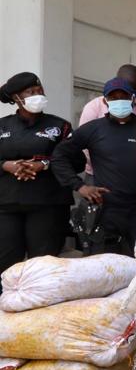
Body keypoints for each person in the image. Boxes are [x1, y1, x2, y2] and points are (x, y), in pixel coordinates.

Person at [52, 78, 136, 255]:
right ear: (105, 101)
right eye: (113, 97)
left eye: (123, 96)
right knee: (104, 265)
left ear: (132, 98)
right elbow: (59, 156)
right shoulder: (93, 129)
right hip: (107, 208)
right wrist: (80, 186)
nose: (119, 101)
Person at [0, 72, 73, 275]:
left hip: (47, 205)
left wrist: (44, 163)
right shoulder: (2, 126)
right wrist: (7, 165)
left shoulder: (60, 126)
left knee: (43, 264)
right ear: (16, 98)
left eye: (40, 90)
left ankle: (40, 305)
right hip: (6, 205)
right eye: (30, 92)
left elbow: (75, 161)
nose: (37, 95)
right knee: (6, 262)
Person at [78, 64, 136, 179]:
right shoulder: (94, 106)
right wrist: (103, 166)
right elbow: (83, 143)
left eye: (134, 90)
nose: (122, 98)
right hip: (98, 173)